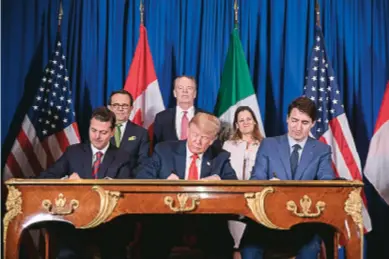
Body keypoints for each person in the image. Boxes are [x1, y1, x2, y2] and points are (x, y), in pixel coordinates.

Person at [240, 97, 335, 259]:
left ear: (312, 124)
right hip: (266, 221)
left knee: (310, 250)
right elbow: (255, 182)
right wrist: (268, 187)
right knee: (249, 250)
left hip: (304, 225)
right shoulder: (268, 145)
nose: (297, 127)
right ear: (287, 119)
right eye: (294, 120)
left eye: (304, 123)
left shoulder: (322, 150)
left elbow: (327, 187)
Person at [137, 112, 237, 259]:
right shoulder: (164, 150)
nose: (198, 141)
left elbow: (234, 186)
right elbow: (142, 177)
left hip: (206, 220)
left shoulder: (220, 157)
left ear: (212, 140)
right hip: (167, 218)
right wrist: (163, 183)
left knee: (222, 242)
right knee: (152, 238)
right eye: (195, 134)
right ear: (188, 129)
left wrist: (218, 181)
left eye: (204, 138)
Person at [40, 107, 135, 259]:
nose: (97, 136)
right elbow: (45, 177)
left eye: (103, 132)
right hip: (75, 224)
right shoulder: (73, 152)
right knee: (66, 253)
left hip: (109, 224)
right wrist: (66, 181)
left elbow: (126, 189)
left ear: (111, 133)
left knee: (115, 249)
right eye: (93, 130)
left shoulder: (122, 157)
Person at [222, 106, 264, 259]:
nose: (245, 122)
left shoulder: (265, 145)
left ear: (254, 122)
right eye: (241, 120)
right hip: (233, 197)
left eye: (248, 119)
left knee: (251, 242)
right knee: (233, 243)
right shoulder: (228, 145)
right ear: (236, 125)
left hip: (257, 198)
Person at [108, 89, 150, 165]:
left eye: (125, 105)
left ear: (131, 108)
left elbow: (143, 163)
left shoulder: (141, 133)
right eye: (116, 105)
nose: (120, 109)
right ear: (109, 107)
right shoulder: (99, 131)